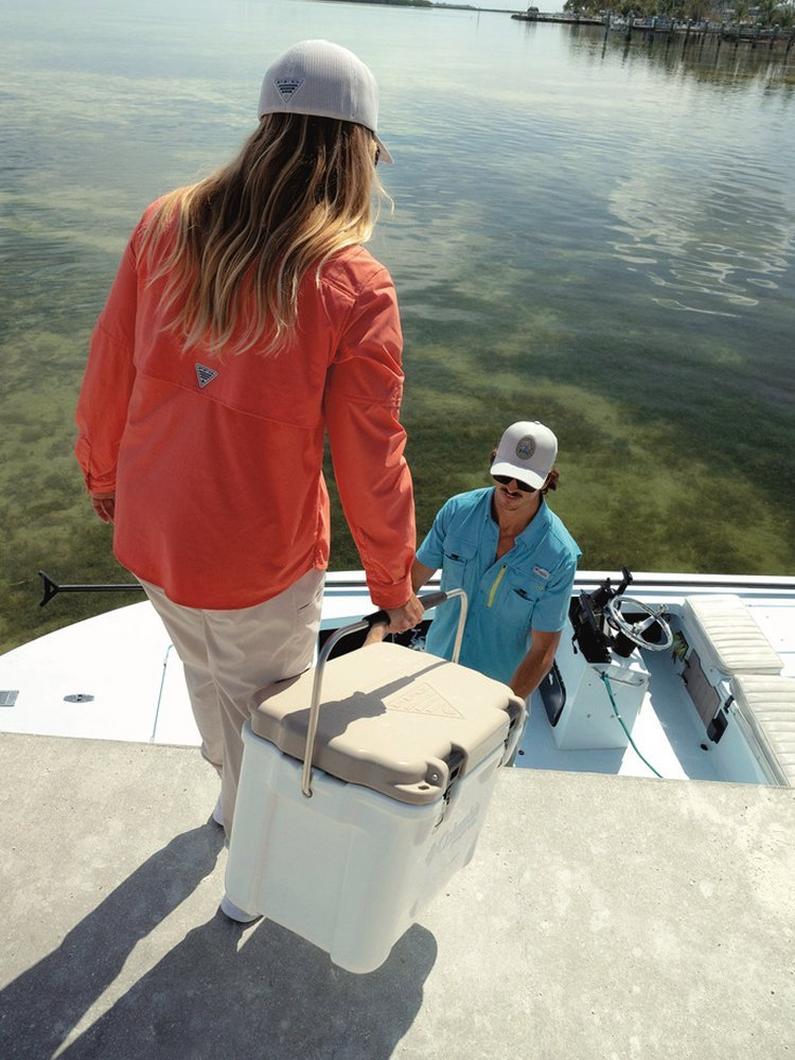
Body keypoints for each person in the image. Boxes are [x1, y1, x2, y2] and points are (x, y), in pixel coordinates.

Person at [74, 40, 423, 918]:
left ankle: (230, 800)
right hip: (257, 563)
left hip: (153, 535)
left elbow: (108, 366)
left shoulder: (164, 221)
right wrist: (392, 584)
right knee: (272, 719)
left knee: (202, 673)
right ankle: (250, 874)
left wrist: (104, 478)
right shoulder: (352, 282)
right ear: (357, 152)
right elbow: (370, 459)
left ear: (264, 129)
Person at [369, 421, 579, 702]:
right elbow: (413, 579)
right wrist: (378, 630)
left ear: (546, 481)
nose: (512, 487)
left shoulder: (560, 556)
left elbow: (543, 650)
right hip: (434, 667)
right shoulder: (456, 511)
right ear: (494, 463)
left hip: (494, 691)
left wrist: (505, 709)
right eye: (504, 475)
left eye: (526, 481)